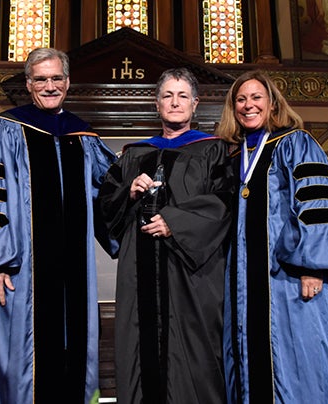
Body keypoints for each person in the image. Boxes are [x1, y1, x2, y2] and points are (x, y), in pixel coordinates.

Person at [0, 47, 118, 404]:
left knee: (72, 354)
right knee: (20, 361)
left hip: (73, 277)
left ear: (68, 82)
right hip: (18, 274)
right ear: (28, 84)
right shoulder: (5, 129)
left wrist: (138, 189)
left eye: (56, 78)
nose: (49, 86)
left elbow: (109, 193)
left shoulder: (82, 138)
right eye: (41, 79)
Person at [98, 67, 233, 403]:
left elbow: (226, 203)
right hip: (138, 270)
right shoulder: (134, 154)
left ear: (195, 104)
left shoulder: (214, 151)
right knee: (141, 351)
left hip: (192, 275)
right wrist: (129, 191)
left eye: (183, 96)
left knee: (195, 351)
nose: (175, 103)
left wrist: (176, 221)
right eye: (167, 96)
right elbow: (104, 206)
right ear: (157, 104)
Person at [216, 70, 328, 404]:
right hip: (244, 286)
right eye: (241, 100)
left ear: (273, 104)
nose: (248, 106)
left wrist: (313, 266)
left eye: (256, 98)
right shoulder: (231, 157)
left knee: (300, 364)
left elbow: (319, 205)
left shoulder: (296, 143)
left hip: (291, 283)